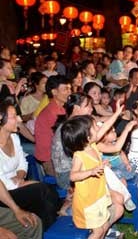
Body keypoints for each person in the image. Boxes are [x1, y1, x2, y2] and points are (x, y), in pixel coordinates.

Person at [61, 115, 125, 239]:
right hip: (88, 203)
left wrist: (117, 114)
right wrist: (91, 171)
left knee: (103, 227)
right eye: (95, 127)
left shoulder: (93, 146)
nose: (99, 128)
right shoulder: (79, 156)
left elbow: (104, 127)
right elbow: (73, 176)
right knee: (97, 232)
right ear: (87, 137)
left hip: (99, 196)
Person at [0, 100, 59, 230]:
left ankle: (49, 230)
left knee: (48, 194)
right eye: (14, 116)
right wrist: (21, 183)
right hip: (4, 193)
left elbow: (22, 162)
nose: (19, 119)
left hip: (16, 184)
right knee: (42, 191)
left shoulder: (14, 137)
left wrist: (21, 176)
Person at [34, 75, 71, 176]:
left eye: (69, 88)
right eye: (65, 89)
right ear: (54, 92)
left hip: (59, 154)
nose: (69, 92)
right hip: (51, 160)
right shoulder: (50, 112)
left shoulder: (62, 108)